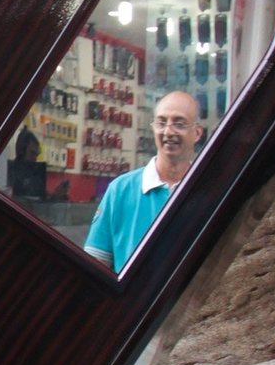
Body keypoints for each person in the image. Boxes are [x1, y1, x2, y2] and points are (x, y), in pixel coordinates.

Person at [85, 89, 204, 270]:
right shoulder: (120, 190)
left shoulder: (208, 189)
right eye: (161, 122)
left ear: (197, 133)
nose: (168, 131)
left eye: (179, 124)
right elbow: (94, 266)